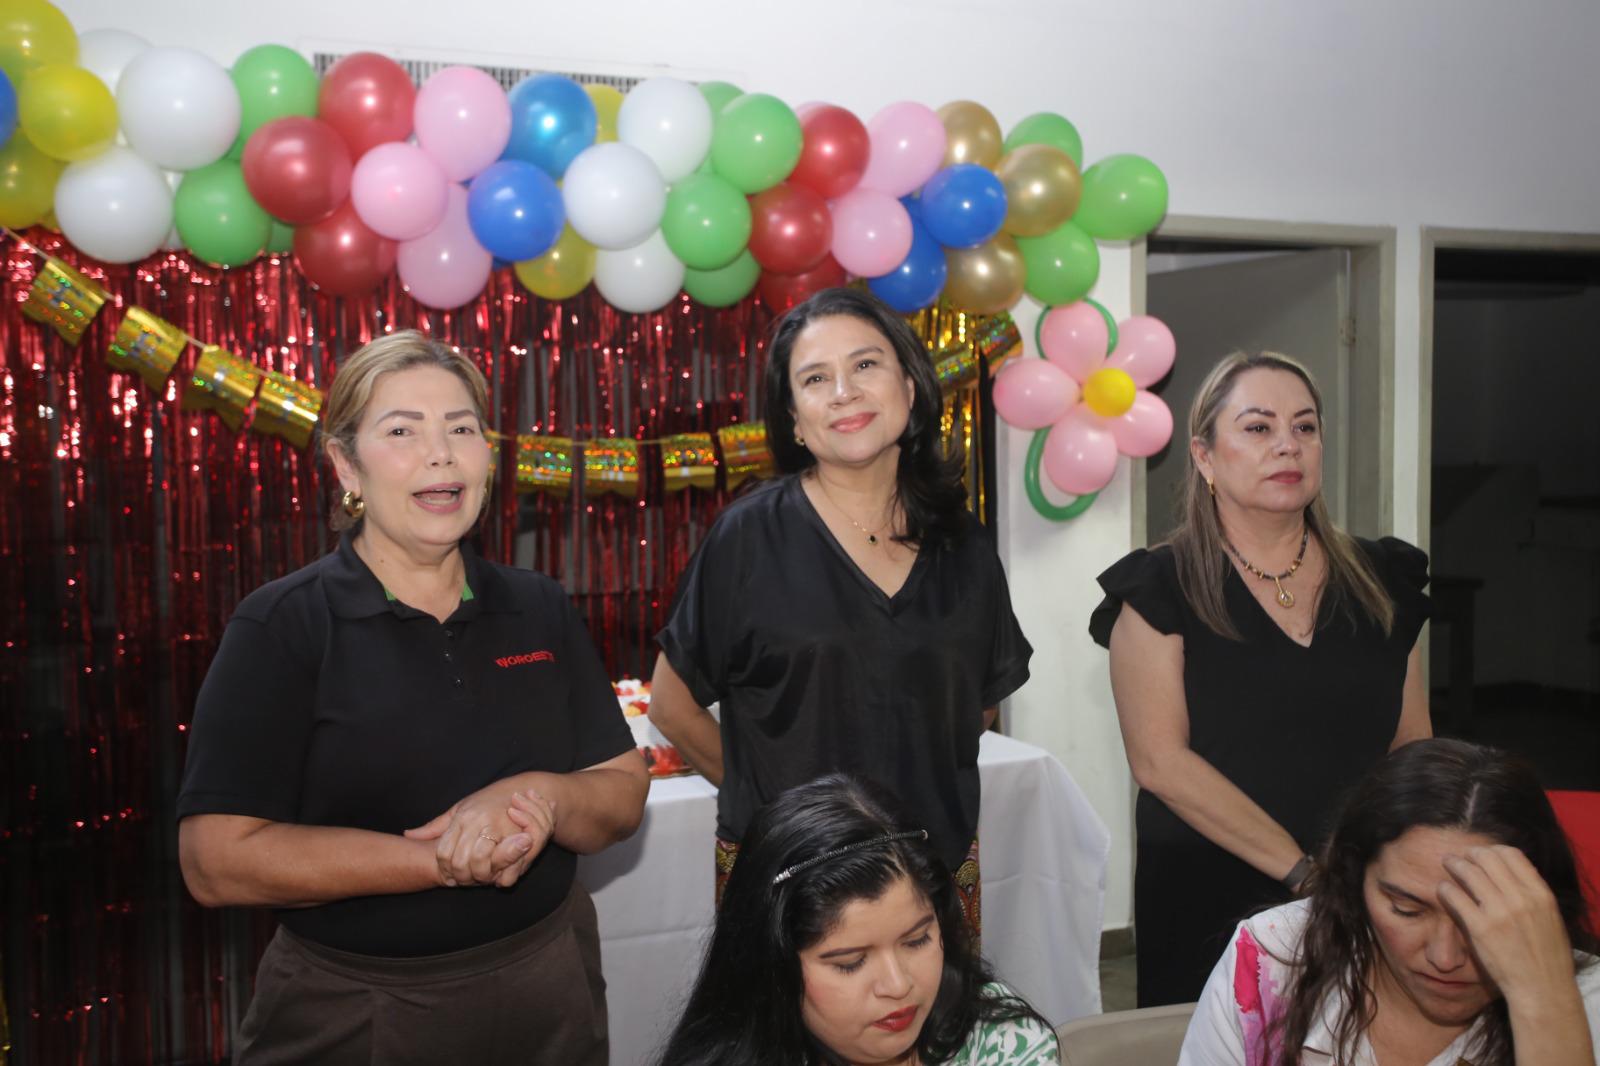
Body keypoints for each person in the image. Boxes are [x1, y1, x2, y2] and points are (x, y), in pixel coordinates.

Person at [175, 330, 648, 1065]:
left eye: (462, 429)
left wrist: (535, 794)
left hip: (548, 982)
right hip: (358, 1006)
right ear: (345, 465)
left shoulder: (538, 605)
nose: (442, 453)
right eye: (402, 431)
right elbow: (215, 861)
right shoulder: (284, 625)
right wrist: (444, 860)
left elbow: (621, 791)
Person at [649, 287, 1031, 927]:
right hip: (790, 882)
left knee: (931, 1027)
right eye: (815, 378)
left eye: (865, 366)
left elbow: (977, 705)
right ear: (794, 420)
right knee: (789, 1031)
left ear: (909, 390)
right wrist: (777, 815)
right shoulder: (748, 539)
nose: (844, 392)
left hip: (931, 877)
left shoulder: (962, 541)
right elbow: (672, 706)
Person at [1089, 351, 1433, 1006]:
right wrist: (1304, 872)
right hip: (1207, 893)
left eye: (1305, 427)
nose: (1288, 445)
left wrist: (1379, 862)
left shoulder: (1383, 579)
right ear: (1205, 456)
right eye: (1258, 427)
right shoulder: (1159, 588)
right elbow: (1161, 762)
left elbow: (1411, 742)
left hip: (1362, 885)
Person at [1179, 738, 1600, 1065]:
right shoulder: (1274, 958)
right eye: (1407, 909)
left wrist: (1544, 1002)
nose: (1445, 956)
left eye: (1482, 918)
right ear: (1353, 886)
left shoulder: (1584, 1000)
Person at [658, 773, 1059, 1066]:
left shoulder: (1000, 1043)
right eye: (850, 963)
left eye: (917, 940)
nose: (898, 985)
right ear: (771, 967)